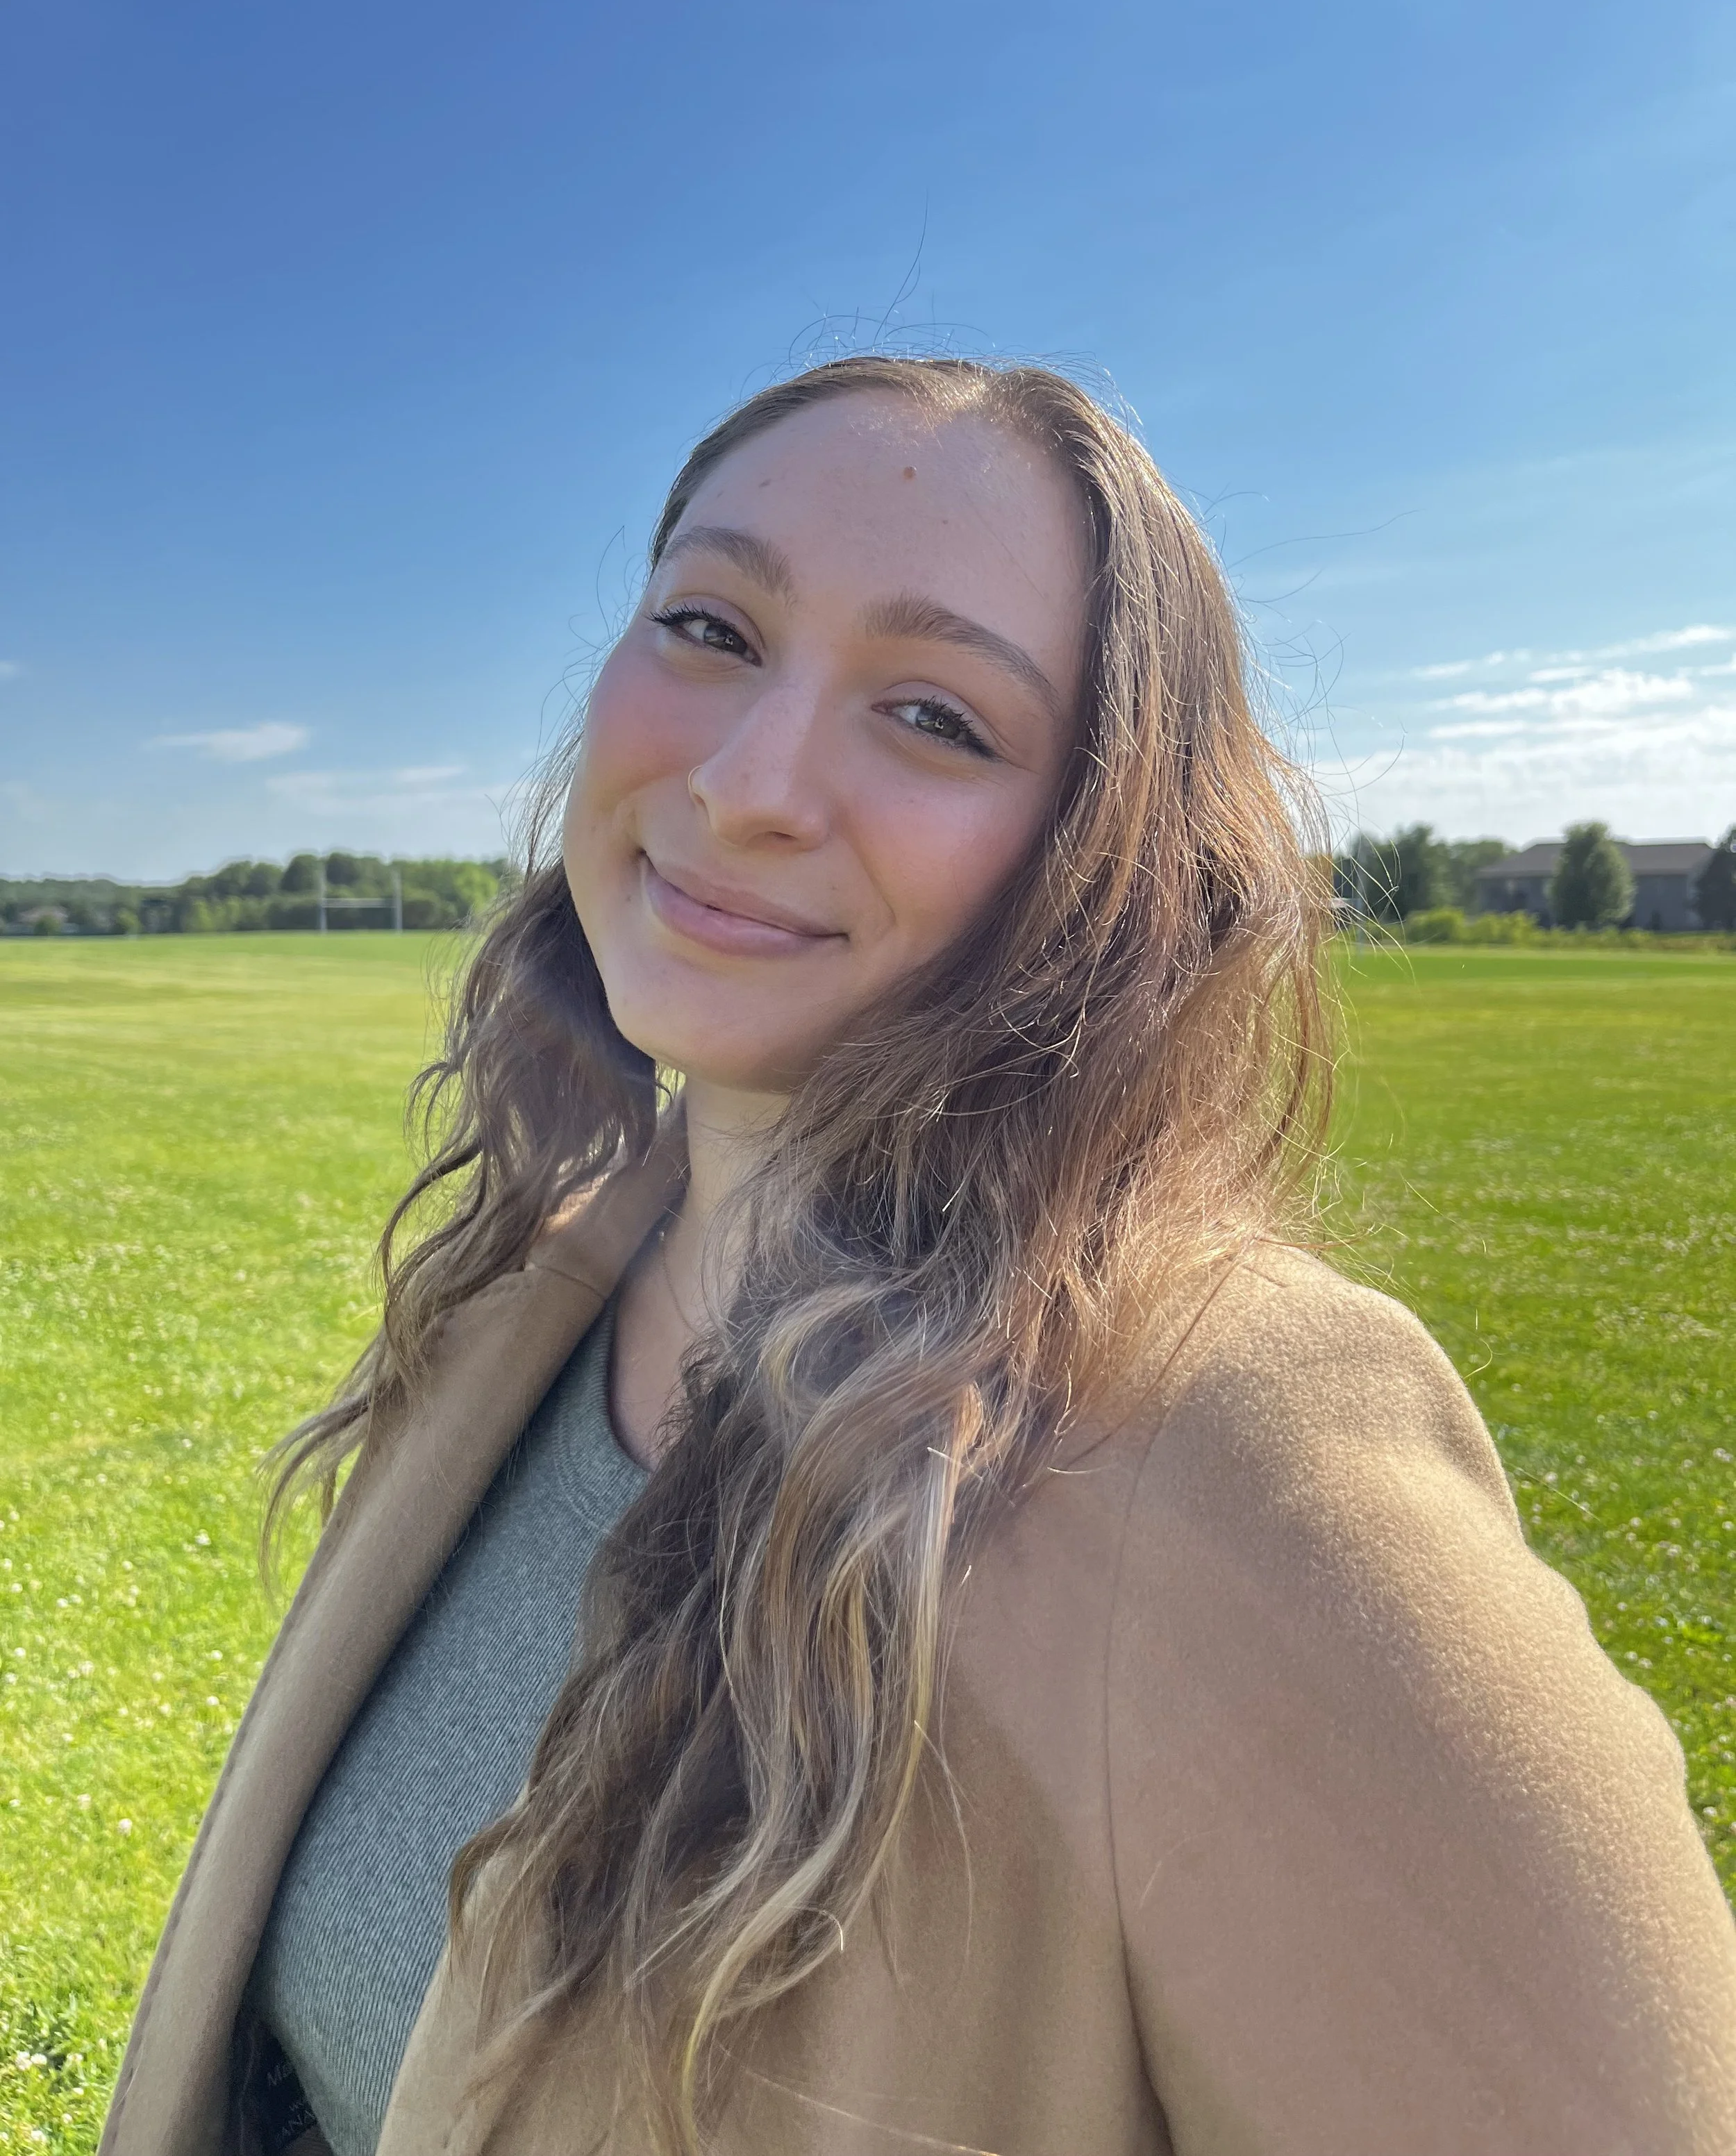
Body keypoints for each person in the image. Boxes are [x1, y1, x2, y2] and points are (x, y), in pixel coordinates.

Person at [103, 356, 1736, 2156]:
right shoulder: (532, 1296)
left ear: (1103, 858)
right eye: (711, 627)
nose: (748, 781)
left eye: (938, 716)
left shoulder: (1221, 1451)